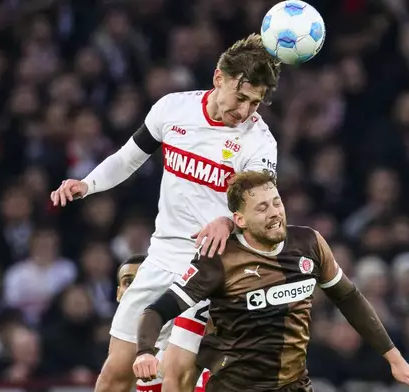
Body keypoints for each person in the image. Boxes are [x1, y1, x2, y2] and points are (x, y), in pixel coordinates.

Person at [51, 34, 281, 392]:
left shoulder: (259, 143)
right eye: (241, 97)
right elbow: (129, 157)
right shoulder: (173, 109)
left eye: (255, 103)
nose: (245, 111)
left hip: (211, 268)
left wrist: (227, 220)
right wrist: (88, 184)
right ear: (219, 78)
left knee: (176, 375)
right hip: (160, 258)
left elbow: (263, 211)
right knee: (115, 375)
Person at [133, 171, 409, 392]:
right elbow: (157, 310)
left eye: (276, 202)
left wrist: (394, 358)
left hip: (295, 385)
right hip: (236, 387)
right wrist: (145, 350)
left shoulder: (310, 244)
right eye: (262, 208)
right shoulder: (220, 259)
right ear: (239, 220)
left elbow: (349, 298)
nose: (275, 213)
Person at [116, 255, 210, 392]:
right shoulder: (115, 357)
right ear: (118, 293)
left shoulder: (187, 344)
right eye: (129, 282)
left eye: (146, 282)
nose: (138, 291)